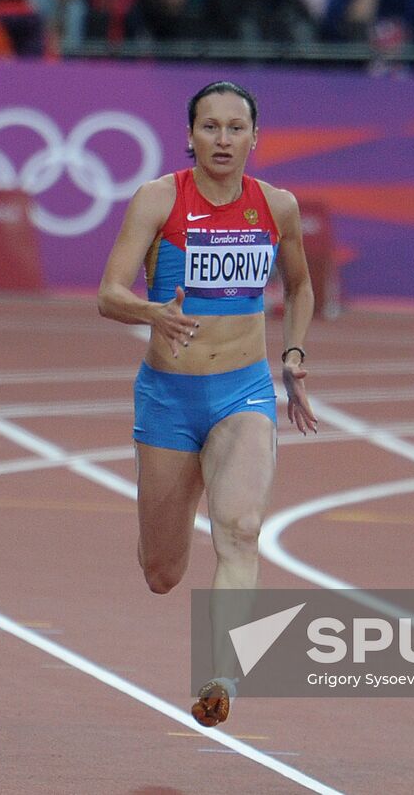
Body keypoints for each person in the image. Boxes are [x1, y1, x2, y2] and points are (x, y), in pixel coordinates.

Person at [97, 81, 318, 727]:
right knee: (162, 571)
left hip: (243, 390)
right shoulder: (160, 199)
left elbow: (301, 286)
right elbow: (109, 292)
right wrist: (149, 311)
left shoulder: (276, 206)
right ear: (190, 135)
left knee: (242, 527)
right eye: (211, 127)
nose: (223, 139)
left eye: (235, 127)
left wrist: (295, 356)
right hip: (169, 396)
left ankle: (220, 674)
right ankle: (182, 488)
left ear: (255, 136)